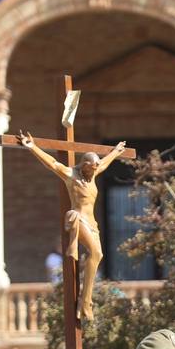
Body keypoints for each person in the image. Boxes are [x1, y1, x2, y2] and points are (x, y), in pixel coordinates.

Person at [19, 132, 126, 321]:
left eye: (95, 170)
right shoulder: (71, 175)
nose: (93, 173)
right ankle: (85, 302)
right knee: (94, 252)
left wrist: (116, 152)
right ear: (84, 166)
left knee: (98, 255)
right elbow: (52, 163)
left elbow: (104, 163)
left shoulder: (92, 173)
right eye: (91, 170)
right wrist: (32, 146)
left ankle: (86, 299)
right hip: (79, 218)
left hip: (92, 223)